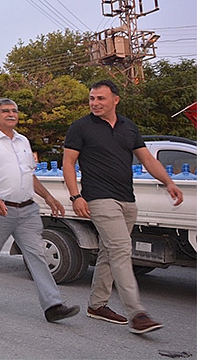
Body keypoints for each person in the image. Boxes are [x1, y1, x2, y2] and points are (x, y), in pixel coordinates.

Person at [62, 80, 183, 334]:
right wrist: (76, 197)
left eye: (100, 99)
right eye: (92, 99)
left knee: (109, 251)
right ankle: (137, 313)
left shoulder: (129, 127)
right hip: (99, 198)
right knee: (120, 250)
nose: (95, 103)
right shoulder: (80, 127)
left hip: (127, 199)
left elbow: (147, 158)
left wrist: (168, 182)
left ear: (115, 100)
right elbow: (69, 163)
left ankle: (97, 305)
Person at [0, 98, 79, 323]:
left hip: (27, 209)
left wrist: (48, 197)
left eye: (14, 111)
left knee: (38, 255)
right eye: (5, 111)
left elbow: (28, 175)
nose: (11, 114)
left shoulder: (23, 141)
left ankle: (53, 305)